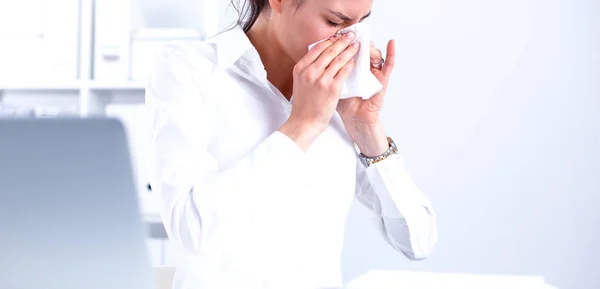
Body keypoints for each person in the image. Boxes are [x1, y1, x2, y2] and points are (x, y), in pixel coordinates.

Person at [146, 0, 438, 288]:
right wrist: (302, 126)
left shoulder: (342, 99)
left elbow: (417, 242)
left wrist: (367, 129)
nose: (353, 42)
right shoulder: (189, 69)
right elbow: (191, 231)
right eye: (335, 22)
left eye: (361, 23)